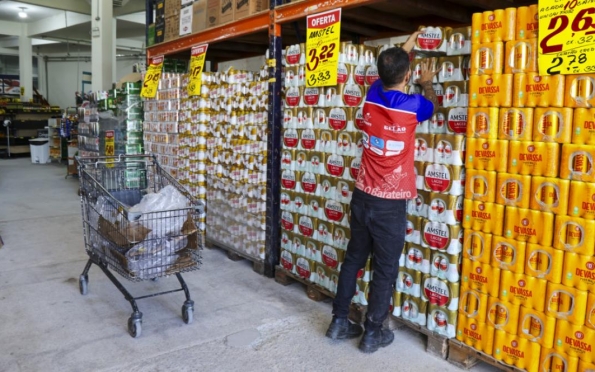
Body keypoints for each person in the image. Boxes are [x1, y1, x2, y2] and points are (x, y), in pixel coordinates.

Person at [325, 31, 439, 354]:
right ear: (408, 76)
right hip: (391, 205)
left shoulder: (371, 96)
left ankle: (338, 321)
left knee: (353, 259)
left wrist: (407, 44)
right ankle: (373, 333)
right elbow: (431, 104)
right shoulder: (415, 106)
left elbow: (389, 71)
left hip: (362, 198)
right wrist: (427, 81)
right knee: (385, 269)